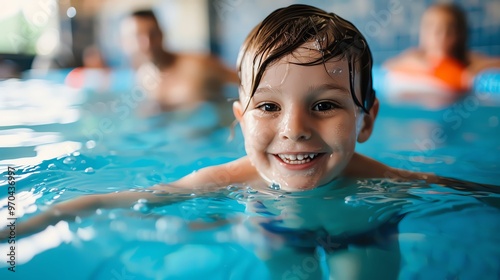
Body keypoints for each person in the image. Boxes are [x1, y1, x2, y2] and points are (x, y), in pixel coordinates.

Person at [1, 4, 495, 279]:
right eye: (269, 106)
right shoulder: (225, 180)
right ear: (239, 118)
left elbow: (468, 193)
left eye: (325, 105)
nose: (294, 129)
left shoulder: (386, 183)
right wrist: (35, 220)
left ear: (366, 121)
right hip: (274, 228)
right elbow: (128, 199)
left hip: (363, 229)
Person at [120, 9, 239, 112]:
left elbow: (243, 80)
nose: (147, 44)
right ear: (125, 43)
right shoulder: (141, 77)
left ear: (162, 34)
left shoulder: (198, 66)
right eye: (138, 37)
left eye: (153, 34)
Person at [383, 3, 500, 107]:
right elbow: (388, 66)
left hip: (456, 106)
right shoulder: (417, 56)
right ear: (422, 32)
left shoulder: (465, 59)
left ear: (460, 35)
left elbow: (495, 62)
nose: (439, 34)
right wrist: (426, 68)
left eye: (448, 29)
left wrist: (470, 71)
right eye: (431, 27)